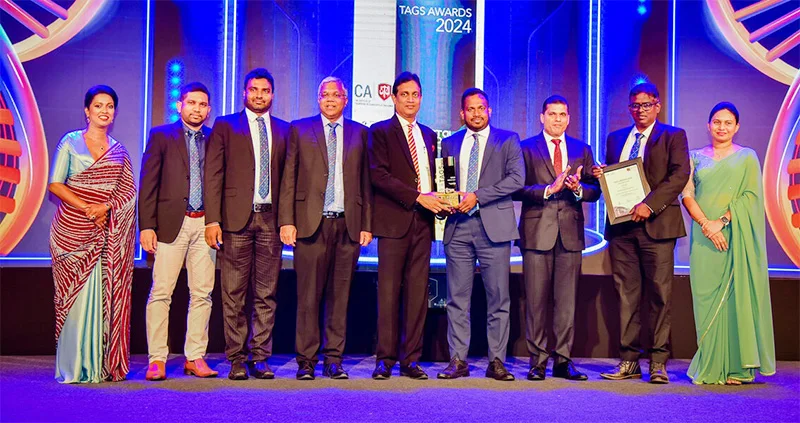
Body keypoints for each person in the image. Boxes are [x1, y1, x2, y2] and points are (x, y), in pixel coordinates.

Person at [593, 82, 690, 384]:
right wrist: (601, 176)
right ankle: (629, 361)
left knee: (660, 295)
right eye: (635, 105)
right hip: (622, 229)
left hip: (657, 227)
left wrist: (649, 204)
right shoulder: (616, 138)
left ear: (657, 106)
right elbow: (616, 178)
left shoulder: (673, 135)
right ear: (629, 108)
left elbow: (680, 175)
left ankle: (658, 362)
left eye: (646, 105)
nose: (640, 110)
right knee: (626, 296)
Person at [279, 77, 373, 380]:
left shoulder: (360, 133)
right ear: (318, 99)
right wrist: (287, 220)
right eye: (325, 94)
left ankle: (334, 360)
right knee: (308, 298)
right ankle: (306, 361)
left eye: (336, 95)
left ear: (346, 99)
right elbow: (288, 178)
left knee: (339, 297)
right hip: (310, 225)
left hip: (348, 225)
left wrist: (366, 224)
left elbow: (366, 183)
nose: (330, 99)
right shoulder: (299, 129)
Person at [680, 102, 775, 385]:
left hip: (735, 236)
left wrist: (721, 222)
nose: (722, 127)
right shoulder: (694, 157)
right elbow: (686, 195)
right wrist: (706, 226)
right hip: (704, 239)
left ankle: (737, 367)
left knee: (736, 300)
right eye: (717, 122)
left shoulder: (747, 157)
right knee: (705, 300)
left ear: (737, 127)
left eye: (728, 122)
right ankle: (710, 364)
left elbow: (751, 197)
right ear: (708, 125)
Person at [204, 68, 290, 380]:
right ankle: (237, 358)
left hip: (271, 220)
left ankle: (261, 357)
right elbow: (213, 175)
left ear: (272, 94)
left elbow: (289, 181)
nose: (259, 95)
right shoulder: (225, 125)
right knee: (233, 293)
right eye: (254, 89)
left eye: (265, 90)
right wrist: (212, 220)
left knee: (266, 293)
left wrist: (288, 221)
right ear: (244, 92)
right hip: (234, 220)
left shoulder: (284, 130)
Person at [49, 85, 137, 383]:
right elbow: (56, 184)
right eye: (98, 105)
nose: (104, 111)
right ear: (87, 110)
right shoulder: (70, 142)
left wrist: (106, 207)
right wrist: (88, 208)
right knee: (73, 298)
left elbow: (128, 194)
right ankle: (74, 366)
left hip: (105, 236)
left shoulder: (119, 151)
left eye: (109, 106)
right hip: (71, 233)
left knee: (100, 296)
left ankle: (98, 364)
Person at [368, 71, 451, 380]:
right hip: (394, 223)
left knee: (418, 295)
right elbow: (379, 175)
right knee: (389, 294)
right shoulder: (380, 131)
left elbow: (435, 176)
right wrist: (418, 197)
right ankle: (385, 359)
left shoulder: (429, 135)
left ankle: (411, 359)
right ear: (393, 98)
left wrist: (443, 199)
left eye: (415, 94)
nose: (411, 100)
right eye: (405, 94)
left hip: (424, 224)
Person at [436, 88, 524, 381]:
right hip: (458, 227)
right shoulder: (449, 143)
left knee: (498, 299)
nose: (476, 114)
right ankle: (458, 360)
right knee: (457, 299)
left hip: (494, 228)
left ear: (489, 111)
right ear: (462, 113)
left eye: (481, 108)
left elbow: (517, 179)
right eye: (470, 109)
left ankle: (496, 361)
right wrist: (447, 202)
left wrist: (478, 195)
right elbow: (446, 184)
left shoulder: (507, 140)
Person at [514, 95, 600, 381]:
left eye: (563, 114)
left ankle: (563, 360)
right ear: (542, 117)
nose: (558, 119)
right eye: (552, 114)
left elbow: (595, 191)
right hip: (536, 233)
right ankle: (538, 361)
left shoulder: (582, 149)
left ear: (569, 118)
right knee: (536, 302)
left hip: (570, 235)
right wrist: (548, 190)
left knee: (566, 303)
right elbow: (516, 189)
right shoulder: (526, 147)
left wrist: (578, 189)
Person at [139, 82, 218, 381]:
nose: (197, 109)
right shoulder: (161, 135)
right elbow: (148, 184)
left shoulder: (214, 138)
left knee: (202, 294)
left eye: (202, 104)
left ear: (209, 110)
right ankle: (157, 359)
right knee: (161, 292)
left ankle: (195, 356)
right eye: (192, 103)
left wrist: (216, 221)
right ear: (179, 105)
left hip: (205, 224)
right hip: (171, 224)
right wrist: (147, 226)